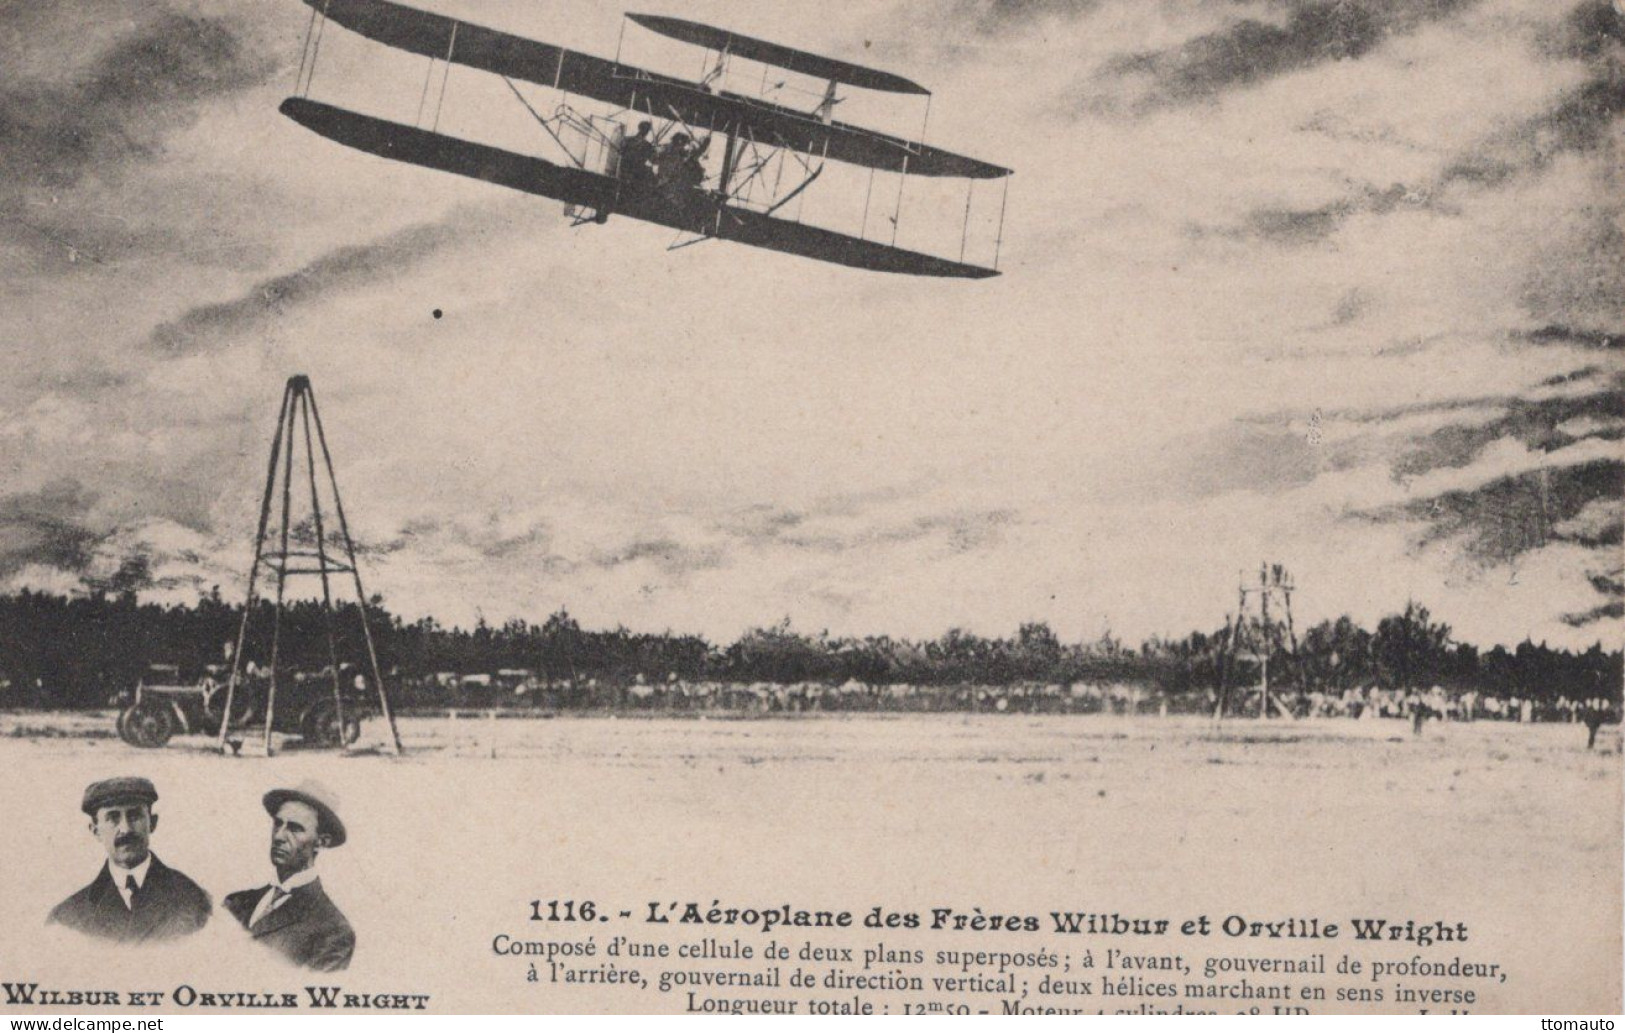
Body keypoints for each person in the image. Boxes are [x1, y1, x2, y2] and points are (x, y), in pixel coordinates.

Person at [48, 777, 212, 943]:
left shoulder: (195, 901)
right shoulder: (67, 917)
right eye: (113, 818)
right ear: (95, 830)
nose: (125, 829)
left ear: (152, 823)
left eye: (134, 816)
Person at [224, 782, 355, 971]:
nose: (279, 836)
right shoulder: (235, 903)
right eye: (278, 824)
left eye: (294, 828)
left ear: (321, 842)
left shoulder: (333, 931)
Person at [618, 121, 656, 185]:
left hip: (630, 171)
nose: (645, 131)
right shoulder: (647, 145)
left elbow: (620, 152)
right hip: (631, 171)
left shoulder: (627, 140)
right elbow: (653, 160)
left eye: (646, 129)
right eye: (645, 129)